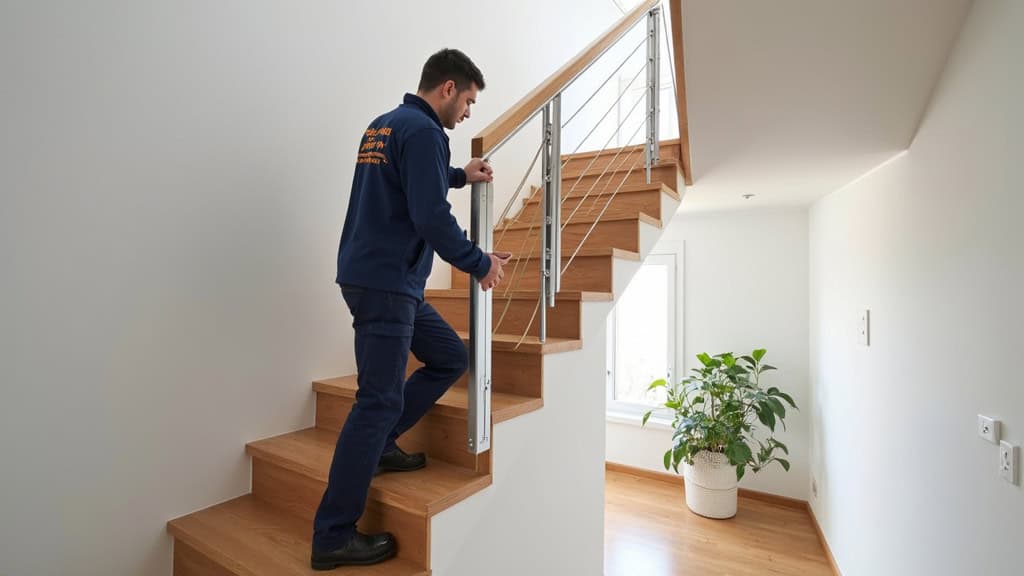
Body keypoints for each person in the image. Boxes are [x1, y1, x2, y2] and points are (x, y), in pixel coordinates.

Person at [311, 48, 512, 570]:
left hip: (376, 276)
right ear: (448, 88)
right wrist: (478, 262)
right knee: (373, 403)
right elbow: (429, 216)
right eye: (468, 101)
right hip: (387, 285)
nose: (468, 113)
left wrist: (461, 176)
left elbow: (417, 179)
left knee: (449, 356)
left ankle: (382, 445)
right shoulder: (424, 132)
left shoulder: (385, 126)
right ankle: (332, 534)